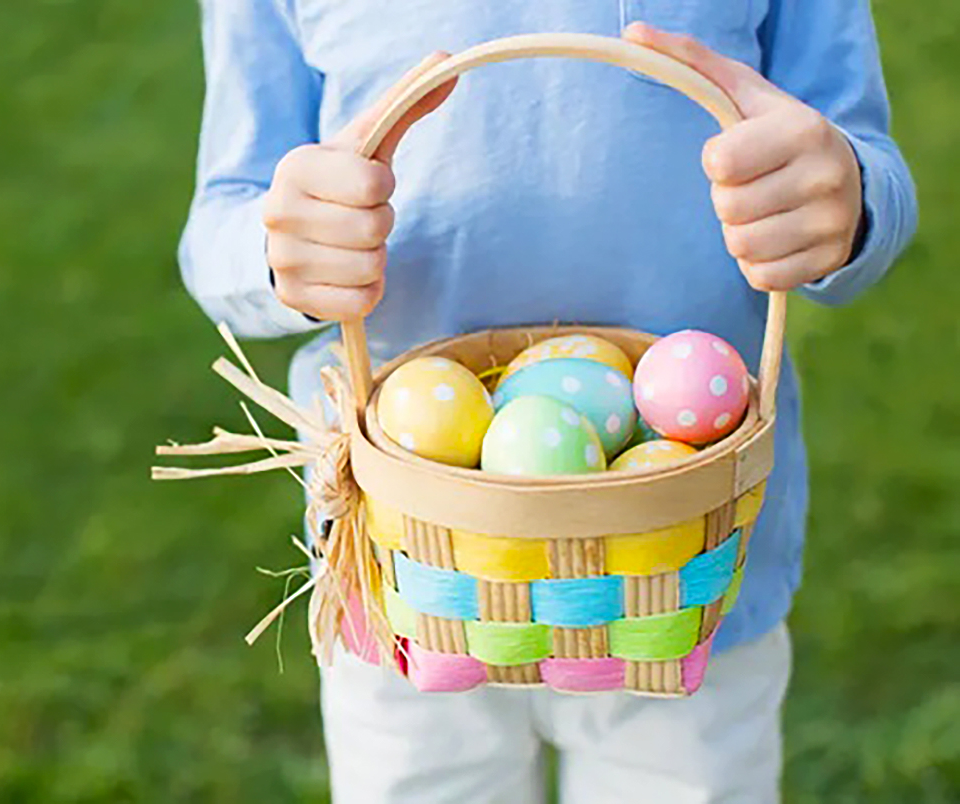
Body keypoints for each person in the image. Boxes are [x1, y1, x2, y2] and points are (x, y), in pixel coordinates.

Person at [178, 2, 917, 802]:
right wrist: (280, 249)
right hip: (409, 576)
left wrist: (844, 202)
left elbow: (864, 164)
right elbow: (222, 221)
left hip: (677, 578)